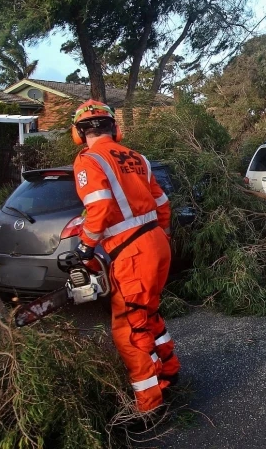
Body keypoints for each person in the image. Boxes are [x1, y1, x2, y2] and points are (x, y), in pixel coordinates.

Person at [71, 99, 180, 414]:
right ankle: (168, 372)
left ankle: (149, 405)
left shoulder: (89, 160)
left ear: (78, 134)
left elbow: (101, 206)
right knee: (148, 313)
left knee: (129, 329)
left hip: (132, 252)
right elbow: (162, 203)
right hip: (157, 242)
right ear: (115, 129)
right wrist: (160, 238)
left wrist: (85, 247)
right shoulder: (138, 158)